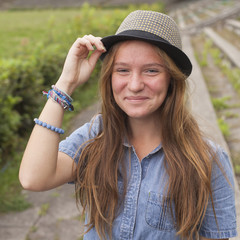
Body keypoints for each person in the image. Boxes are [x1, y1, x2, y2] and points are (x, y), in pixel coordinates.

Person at [19, 10, 237, 240]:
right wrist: (66, 83)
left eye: (151, 70)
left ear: (172, 79)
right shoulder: (94, 138)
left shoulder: (207, 160)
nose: (134, 85)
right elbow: (33, 178)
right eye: (122, 70)